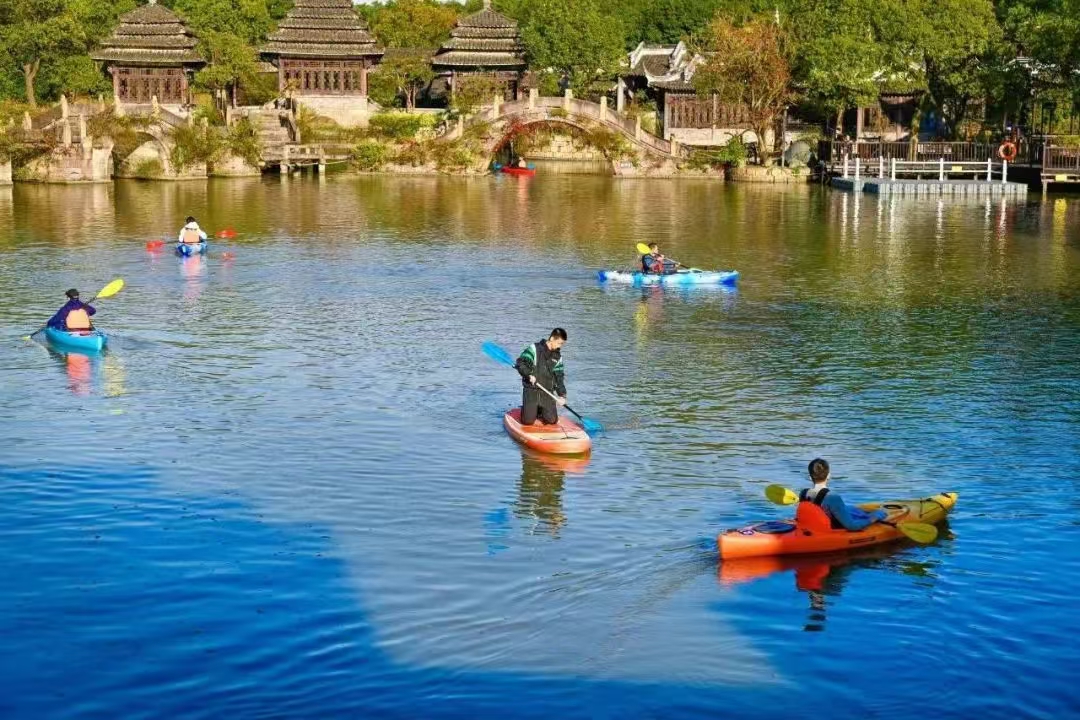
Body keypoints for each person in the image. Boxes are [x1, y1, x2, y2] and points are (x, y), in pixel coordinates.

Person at [796, 458, 888, 532]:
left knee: (851, 509)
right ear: (829, 476)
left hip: (813, 526)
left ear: (809, 477)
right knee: (879, 514)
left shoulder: (803, 493)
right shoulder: (832, 497)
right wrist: (873, 519)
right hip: (830, 529)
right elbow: (851, 526)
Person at [515, 328, 569, 426]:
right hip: (531, 390)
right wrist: (528, 374)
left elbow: (559, 377)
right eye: (559, 343)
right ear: (552, 338)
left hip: (547, 392)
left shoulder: (558, 357)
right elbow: (520, 363)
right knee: (527, 421)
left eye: (562, 344)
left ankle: (540, 410)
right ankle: (528, 408)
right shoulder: (534, 349)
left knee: (552, 420)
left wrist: (562, 395)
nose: (560, 346)